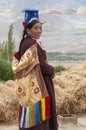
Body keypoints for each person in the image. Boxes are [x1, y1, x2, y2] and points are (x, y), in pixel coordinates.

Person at [18, 9, 58, 130]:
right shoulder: (29, 43)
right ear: (28, 29)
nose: (39, 31)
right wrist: (52, 70)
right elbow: (38, 64)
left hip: (36, 82)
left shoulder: (29, 41)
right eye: (36, 28)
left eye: (40, 28)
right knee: (39, 110)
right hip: (38, 84)